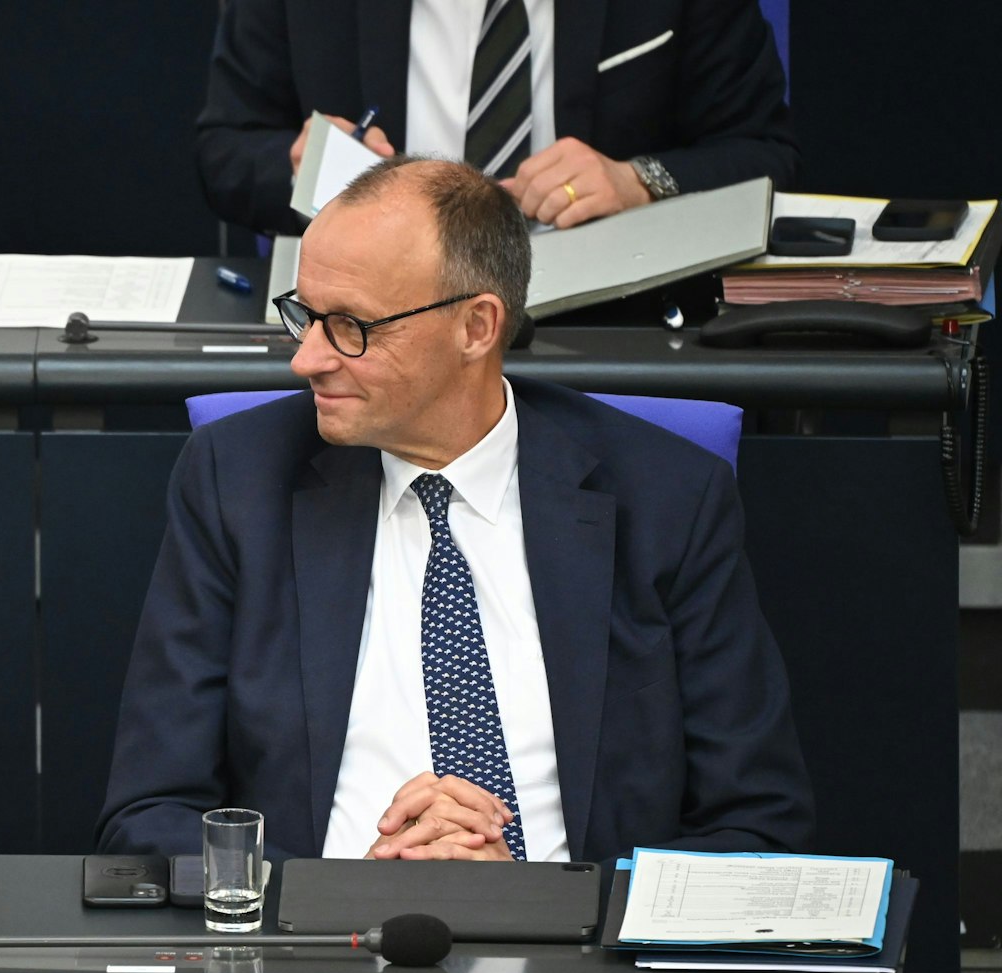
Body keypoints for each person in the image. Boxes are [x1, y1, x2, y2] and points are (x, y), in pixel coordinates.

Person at [98, 156, 812, 865]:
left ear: (477, 327)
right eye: (305, 316)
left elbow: (756, 825)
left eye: (350, 326)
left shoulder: (667, 497)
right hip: (319, 954)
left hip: (575, 964)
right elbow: (149, 814)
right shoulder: (237, 480)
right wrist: (332, 898)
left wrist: (546, 905)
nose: (307, 358)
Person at [196, 0, 798, 234]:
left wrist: (638, 181)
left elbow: (767, 154)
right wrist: (305, 167)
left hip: (609, 329)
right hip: (374, 330)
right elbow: (227, 150)